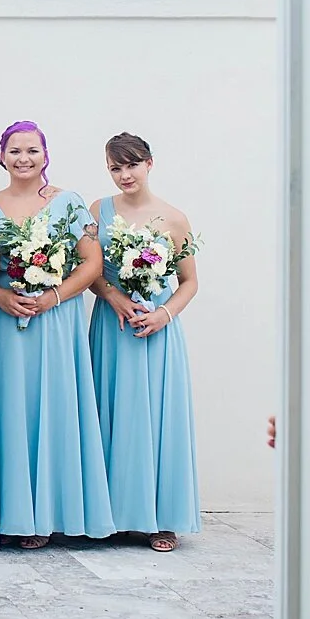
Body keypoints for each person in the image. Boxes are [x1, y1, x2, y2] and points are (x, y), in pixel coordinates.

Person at [0, 120, 114, 549]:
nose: (23, 158)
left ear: (45, 155)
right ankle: (6, 514)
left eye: (32, 150)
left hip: (54, 323)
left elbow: (92, 264)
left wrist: (53, 297)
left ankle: (48, 514)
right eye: (15, 151)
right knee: (6, 407)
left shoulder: (68, 203)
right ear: (2, 157)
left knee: (50, 407)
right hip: (3, 322)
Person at [88, 132, 201, 552]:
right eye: (115, 168)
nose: (125, 175)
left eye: (132, 164)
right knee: (112, 412)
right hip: (112, 325)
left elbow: (189, 282)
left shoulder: (174, 218)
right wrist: (113, 296)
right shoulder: (98, 211)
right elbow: (89, 272)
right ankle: (112, 515)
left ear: (149, 163)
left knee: (155, 418)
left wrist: (162, 314)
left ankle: (162, 520)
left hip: (156, 330)